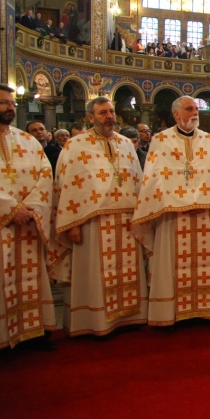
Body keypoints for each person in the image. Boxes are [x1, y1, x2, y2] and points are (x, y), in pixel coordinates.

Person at [131, 97, 210, 327]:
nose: (195, 113)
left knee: (205, 263)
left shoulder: (208, 140)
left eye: (196, 109)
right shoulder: (161, 140)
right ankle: (169, 313)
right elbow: (153, 178)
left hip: (204, 214)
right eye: (189, 109)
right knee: (171, 263)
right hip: (172, 215)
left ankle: (206, 310)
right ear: (176, 114)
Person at [48, 97, 147, 337]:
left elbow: (138, 180)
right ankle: (95, 322)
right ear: (90, 117)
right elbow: (67, 186)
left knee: (126, 271)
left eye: (111, 112)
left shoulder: (126, 144)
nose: (109, 116)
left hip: (126, 221)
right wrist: (72, 224)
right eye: (102, 113)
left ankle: (129, 318)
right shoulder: (76, 146)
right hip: (91, 222)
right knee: (95, 275)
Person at [0, 84, 56, 351]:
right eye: (3, 103)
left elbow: (45, 175)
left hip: (28, 225)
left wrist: (30, 208)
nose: (10, 107)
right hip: (0, 226)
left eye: (11, 103)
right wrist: (9, 209)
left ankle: (33, 332)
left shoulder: (28, 141)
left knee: (30, 279)